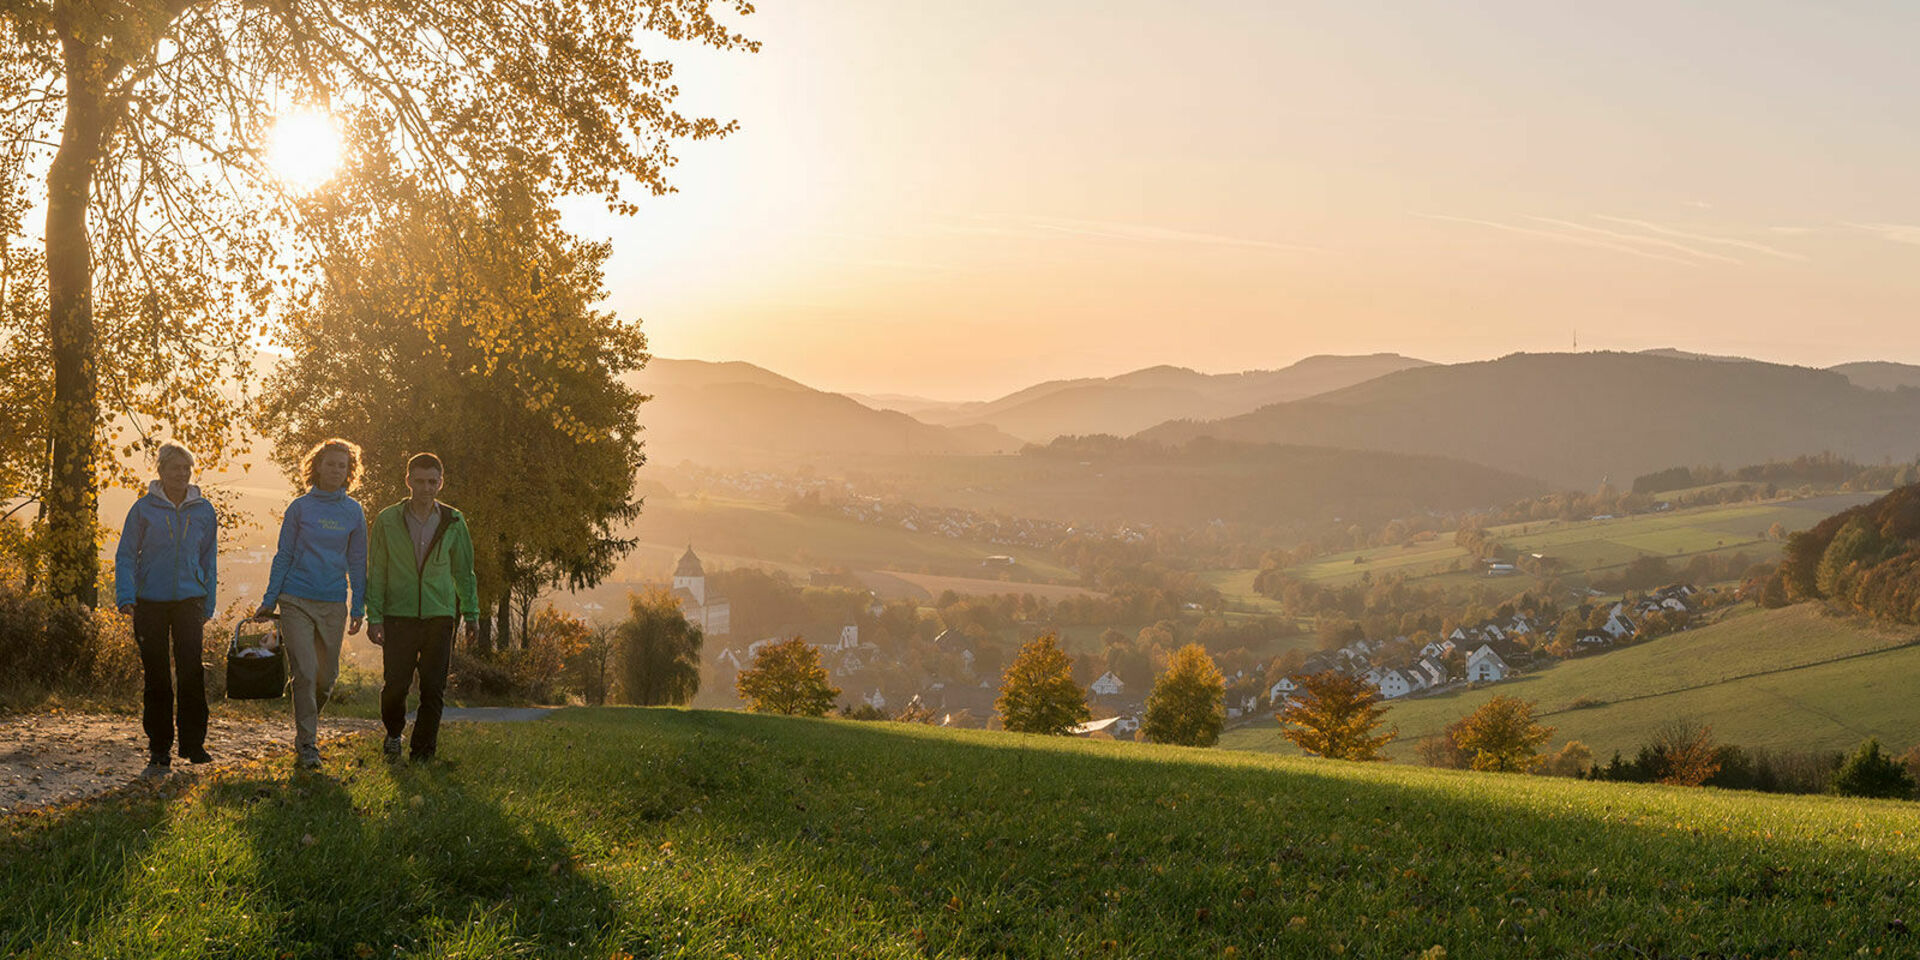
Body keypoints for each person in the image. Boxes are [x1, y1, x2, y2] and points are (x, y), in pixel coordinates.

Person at [256, 437, 368, 771]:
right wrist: (269, 599)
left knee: (326, 678)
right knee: (304, 670)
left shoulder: (353, 511)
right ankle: (307, 744)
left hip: (333, 602)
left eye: (342, 465)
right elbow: (284, 555)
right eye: (330, 463)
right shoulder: (299, 508)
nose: (336, 469)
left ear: (349, 472)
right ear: (316, 466)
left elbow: (358, 560)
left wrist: (359, 607)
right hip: (296, 599)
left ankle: (306, 722)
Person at [367, 452, 478, 763]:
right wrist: (373, 616)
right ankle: (393, 733)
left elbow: (464, 572)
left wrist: (471, 614)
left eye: (432, 482)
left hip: (439, 617)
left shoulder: (454, 521)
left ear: (441, 483)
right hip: (397, 616)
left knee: (433, 688)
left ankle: (423, 753)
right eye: (420, 481)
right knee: (394, 686)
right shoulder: (387, 520)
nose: (426, 488)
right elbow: (376, 571)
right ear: (408, 481)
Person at [114, 442, 219, 769]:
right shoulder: (143, 509)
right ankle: (159, 747)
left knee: (191, 672)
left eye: (187, 468)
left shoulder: (203, 510)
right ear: (161, 471)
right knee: (157, 675)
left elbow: (209, 558)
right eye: (176, 468)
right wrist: (126, 595)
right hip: (149, 602)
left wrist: (209, 601)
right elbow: (126, 555)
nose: (182, 474)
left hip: (190, 600)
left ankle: (193, 745)